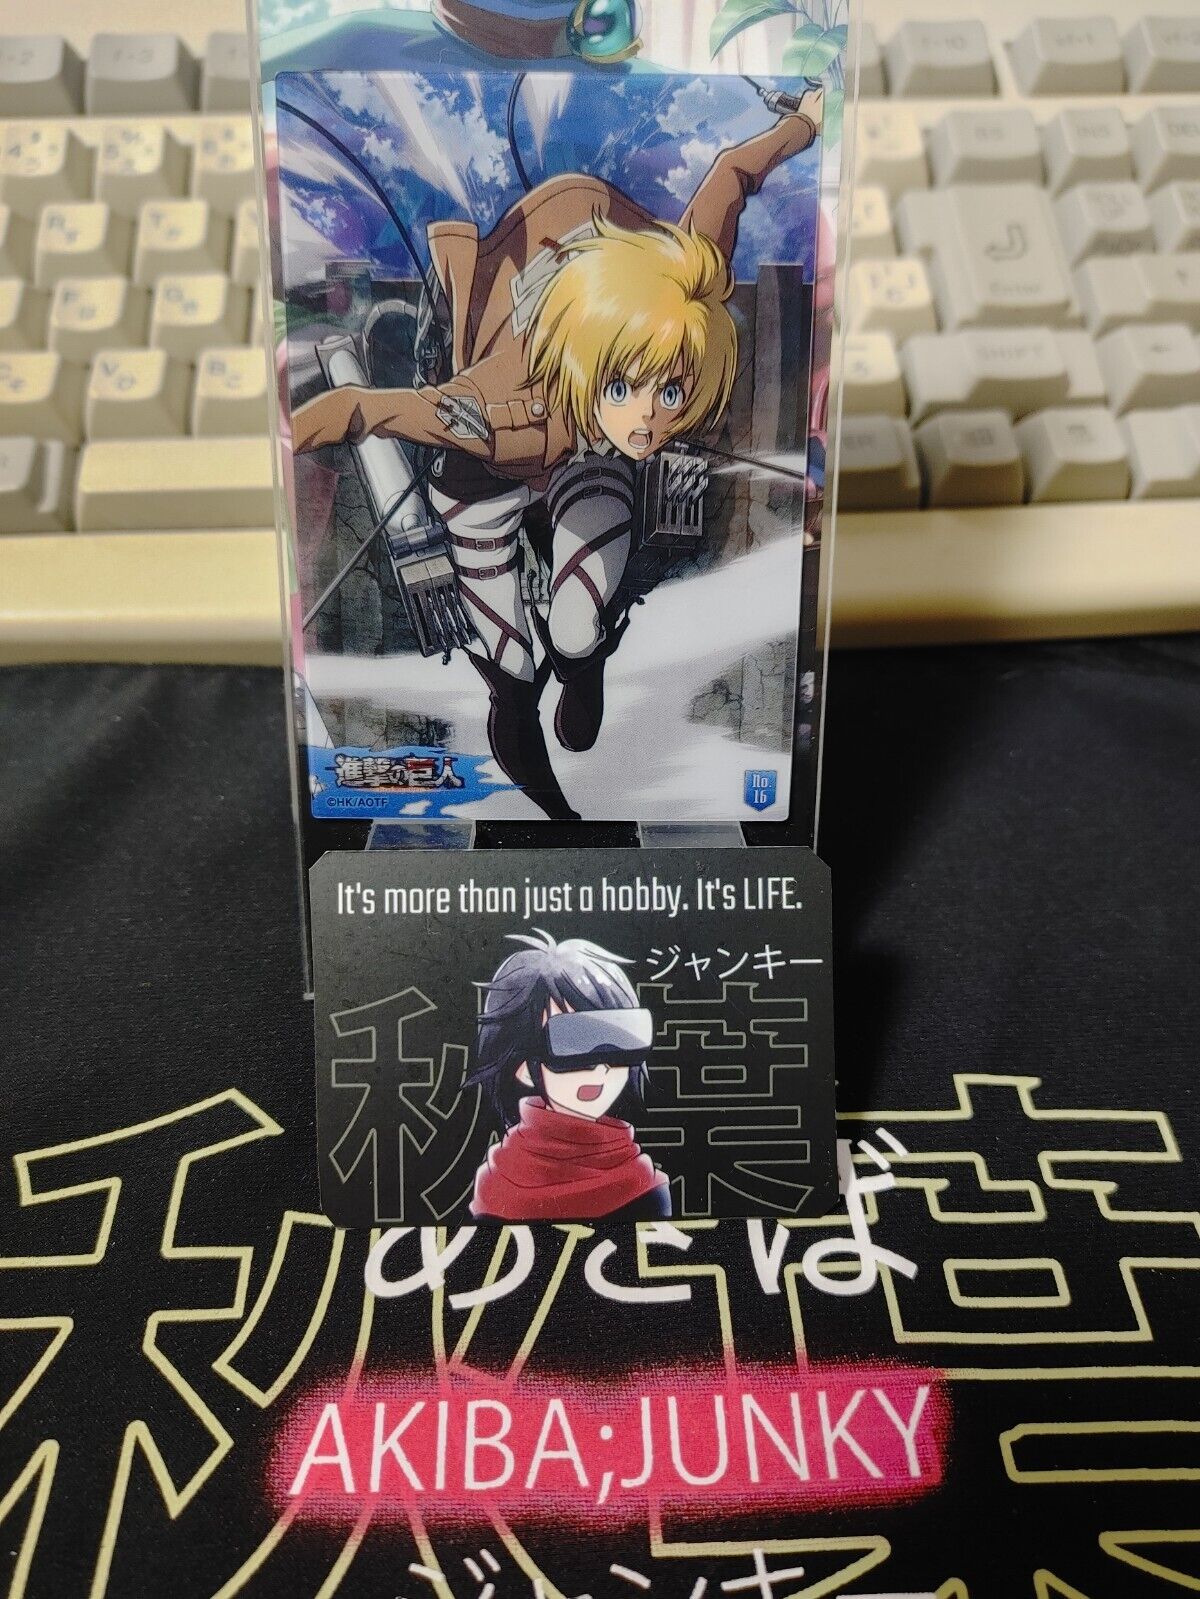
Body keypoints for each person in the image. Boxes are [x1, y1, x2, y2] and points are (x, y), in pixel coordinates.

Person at [293, 89, 823, 818]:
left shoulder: (683, 282)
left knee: (575, 625)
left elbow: (732, 171)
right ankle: (556, 812)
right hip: (487, 472)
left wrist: (806, 121)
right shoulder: (497, 415)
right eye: (627, 389)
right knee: (511, 669)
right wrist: (280, 438)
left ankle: (581, 658)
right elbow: (362, 408)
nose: (649, 420)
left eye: (670, 393)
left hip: (582, 442)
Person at [465, 929, 671, 1222]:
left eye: (617, 1039)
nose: (600, 1066)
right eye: (572, 1040)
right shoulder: (497, 1184)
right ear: (523, 1066)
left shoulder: (644, 1185)